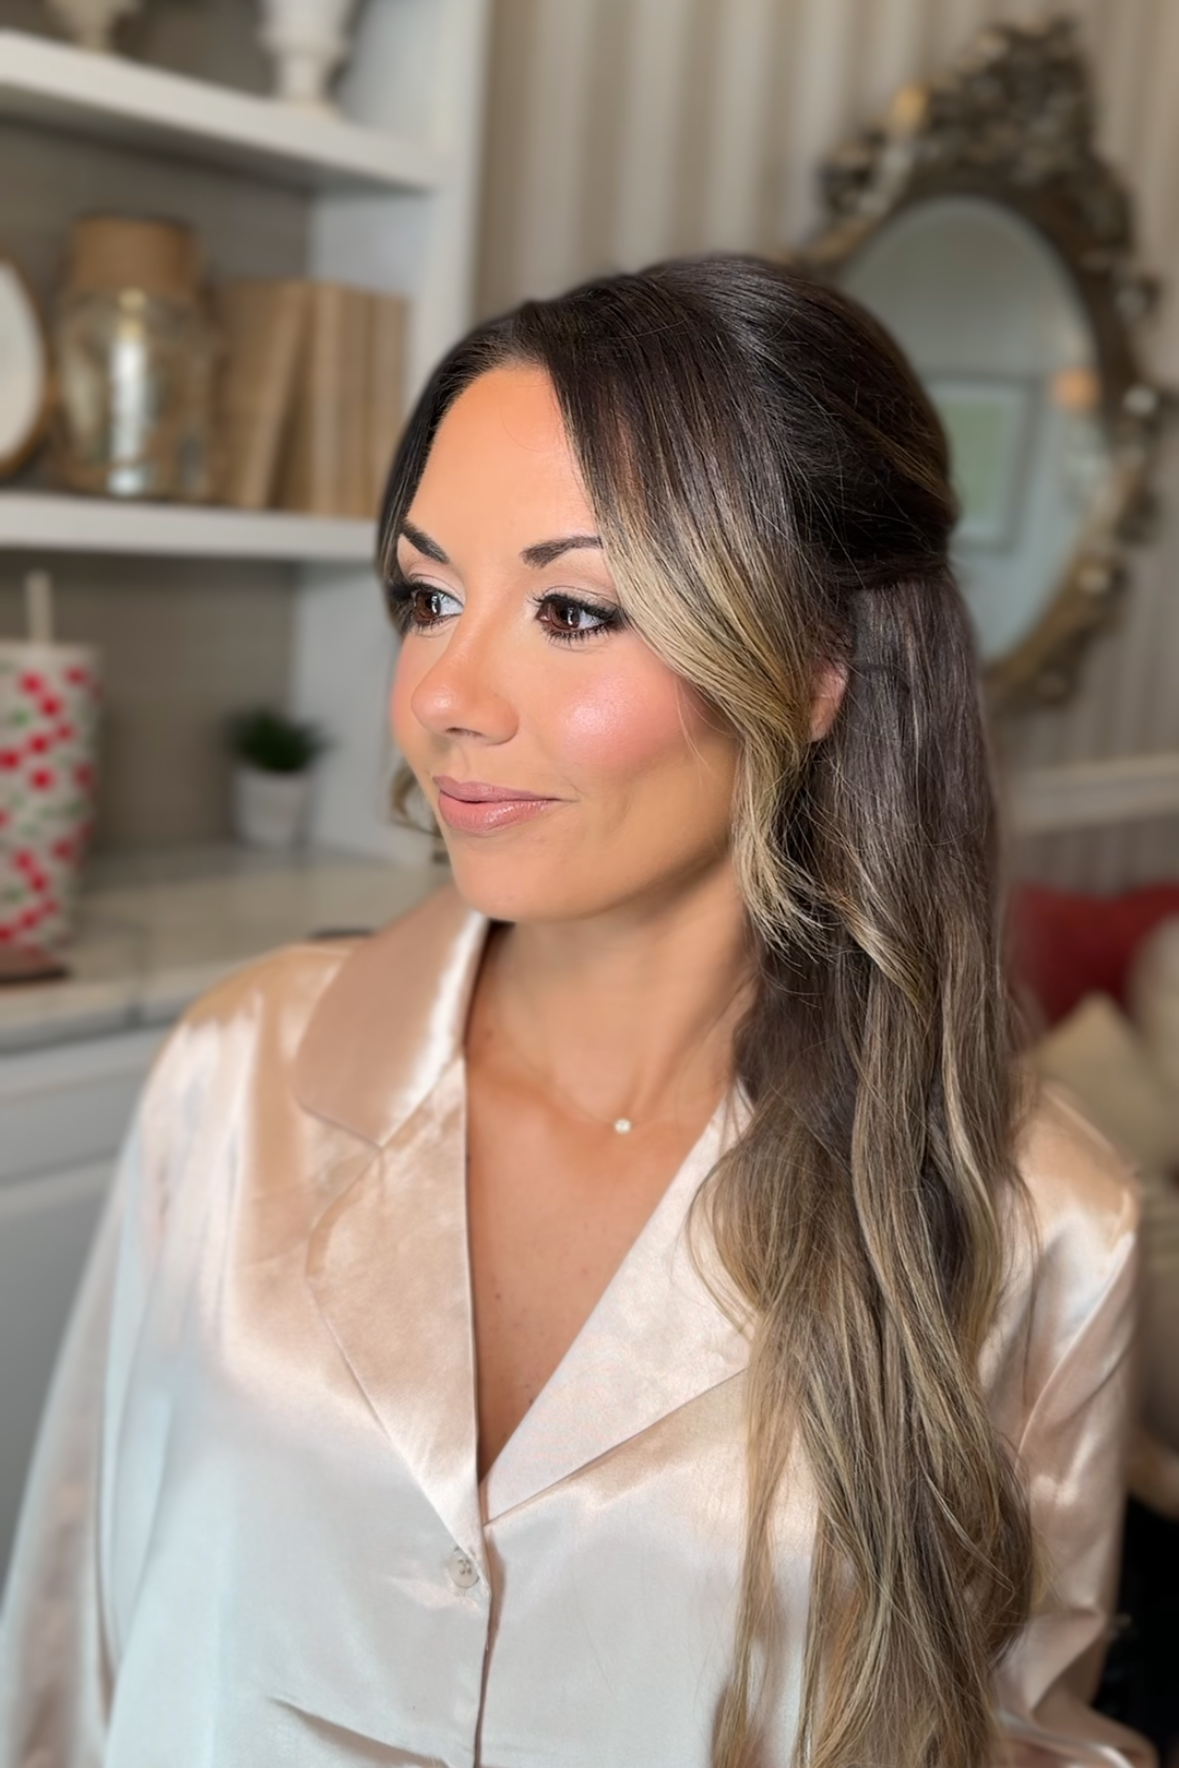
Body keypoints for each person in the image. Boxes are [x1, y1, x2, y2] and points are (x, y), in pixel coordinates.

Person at [0, 257, 1152, 1768]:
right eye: (427, 595)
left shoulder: (1035, 1222)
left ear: (815, 673)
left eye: (572, 608)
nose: (442, 695)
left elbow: (1016, 1734)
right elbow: (73, 1631)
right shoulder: (244, 1068)